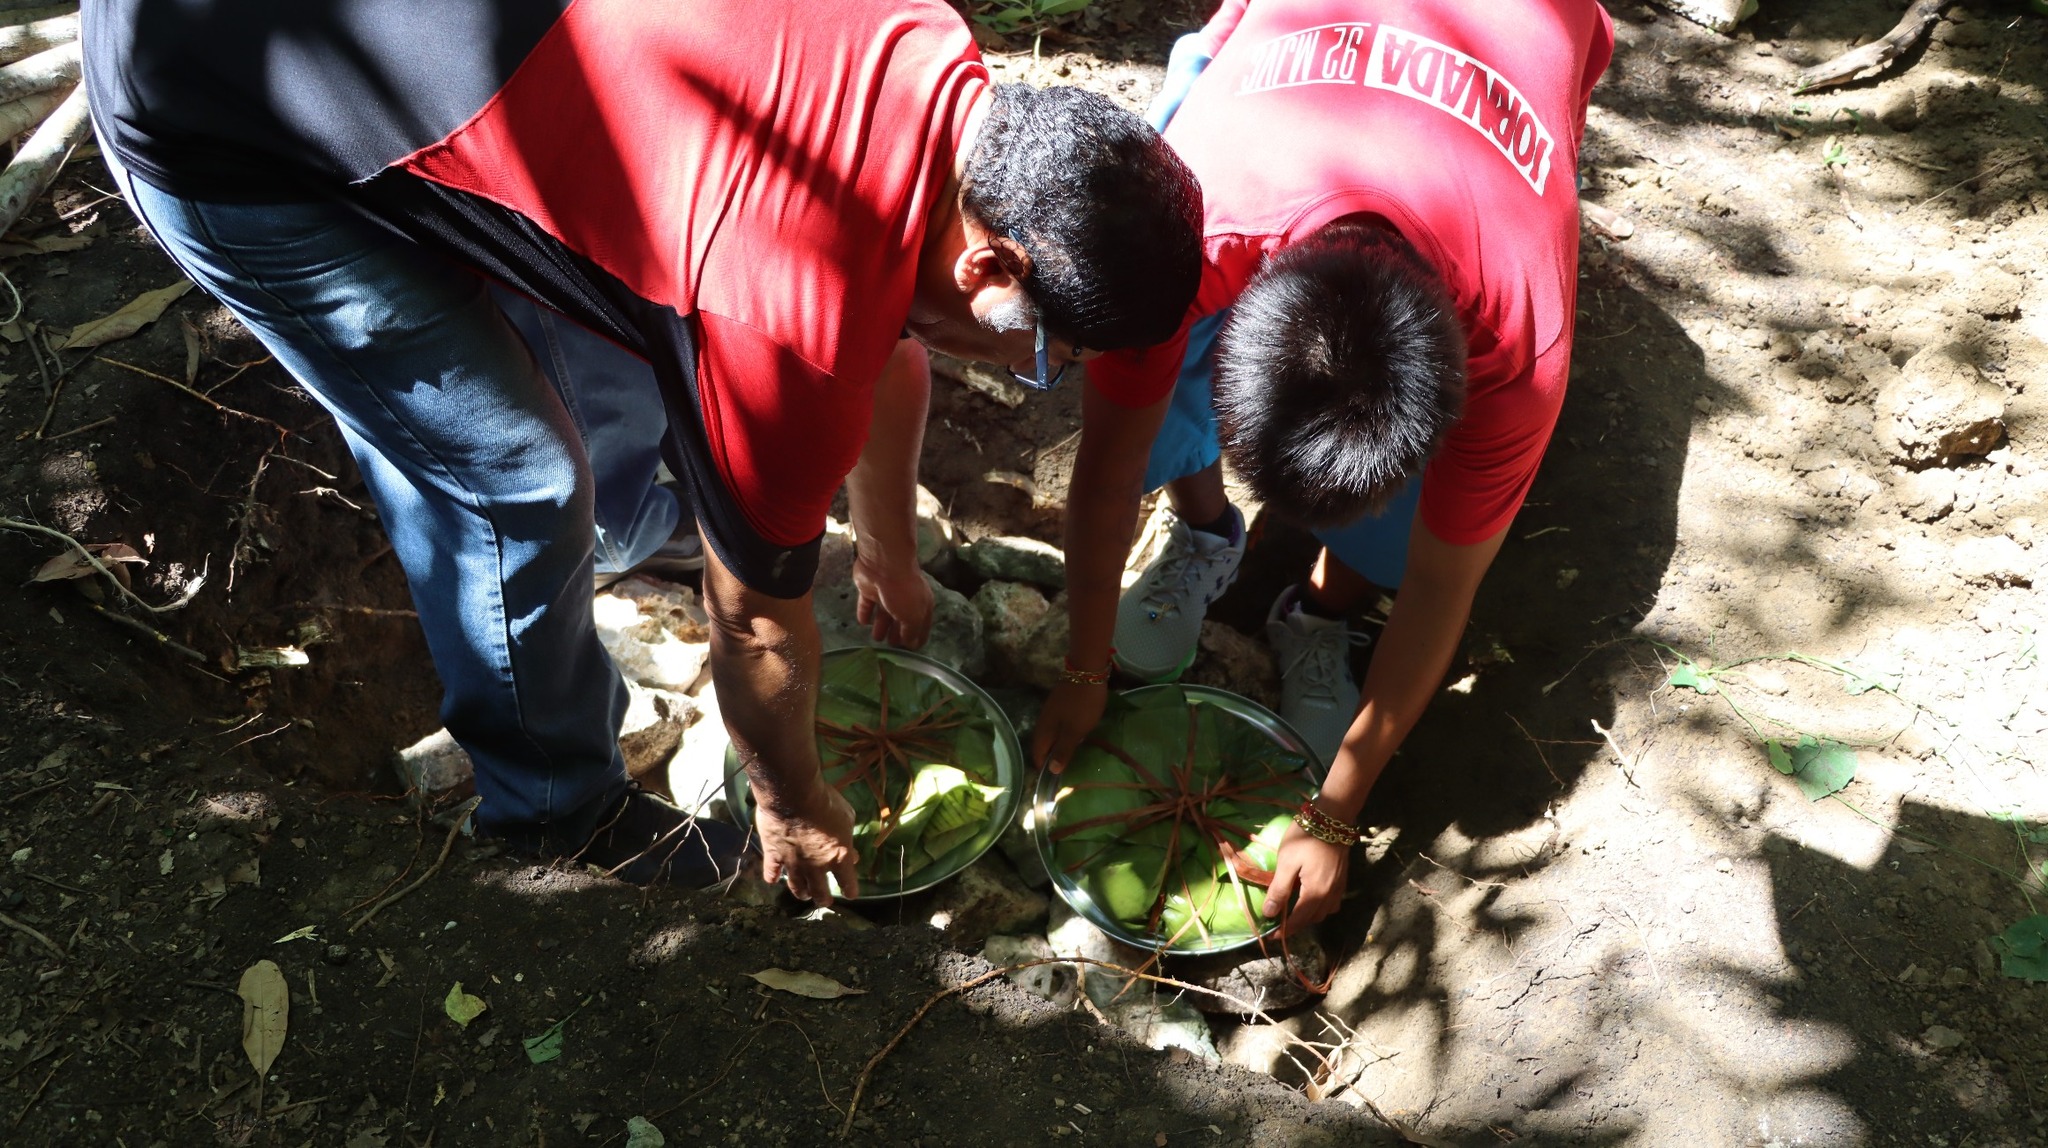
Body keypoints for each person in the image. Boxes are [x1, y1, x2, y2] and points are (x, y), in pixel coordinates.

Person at [84, 0, 1202, 900]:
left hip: (435, 66)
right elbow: (756, 625)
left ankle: (637, 535)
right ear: (987, 266)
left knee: (627, 336)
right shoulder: (789, 319)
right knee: (515, 483)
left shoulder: (926, 61)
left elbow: (891, 348)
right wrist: (791, 800)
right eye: (1043, 355)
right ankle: (555, 812)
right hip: (220, 112)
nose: (1030, 374)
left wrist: (888, 551)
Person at [1028, 0, 1613, 933]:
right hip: (1272, 79)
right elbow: (1105, 462)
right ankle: (1206, 531)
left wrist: (1336, 809)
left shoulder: (1519, 347)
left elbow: (1443, 584)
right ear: (1232, 320)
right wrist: (1084, 666)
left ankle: (1324, 610)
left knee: (1416, 528)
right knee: (1149, 386)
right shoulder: (1184, 227)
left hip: (1530, 48)